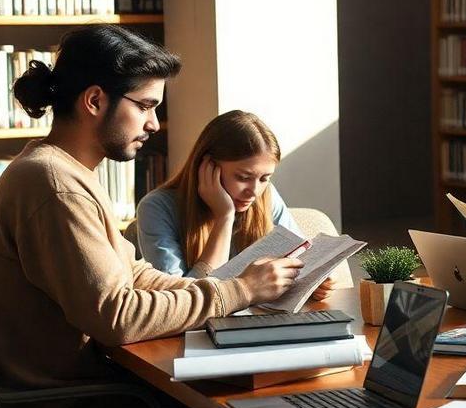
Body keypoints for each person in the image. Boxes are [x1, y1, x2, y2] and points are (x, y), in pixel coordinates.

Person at [0, 24, 299, 408]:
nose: (153, 124)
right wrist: (239, 291)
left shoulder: (65, 173)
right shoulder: (55, 186)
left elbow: (136, 275)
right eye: (145, 106)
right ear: (94, 101)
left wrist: (221, 290)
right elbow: (117, 317)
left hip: (84, 400)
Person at [135, 110, 346, 299]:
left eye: (264, 178)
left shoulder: (266, 196)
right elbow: (178, 300)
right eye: (243, 176)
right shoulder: (156, 208)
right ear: (207, 167)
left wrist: (314, 284)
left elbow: (300, 262)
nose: (254, 191)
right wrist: (224, 217)